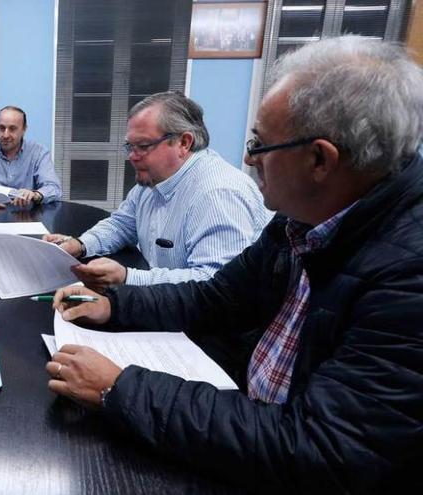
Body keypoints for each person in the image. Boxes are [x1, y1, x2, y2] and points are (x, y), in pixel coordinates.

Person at [45, 36, 423, 492]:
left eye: (260, 144)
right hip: (249, 407)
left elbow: (321, 449)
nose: (247, 159)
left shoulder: (408, 275)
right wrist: (115, 307)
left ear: (319, 159)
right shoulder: (300, 219)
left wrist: (120, 389)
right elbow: (218, 294)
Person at [44, 91, 270, 289]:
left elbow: (214, 283)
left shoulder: (217, 193)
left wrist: (127, 277)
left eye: (142, 146)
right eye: (129, 146)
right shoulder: (152, 180)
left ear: (184, 143)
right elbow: (122, 224)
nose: (132, 156)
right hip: (168, 305)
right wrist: (81, 245)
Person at [0, 105, 62, 211]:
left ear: (24, 129)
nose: (5, 135)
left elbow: (54, 188)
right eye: (1, 128)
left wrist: (35, 195)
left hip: (26, 219)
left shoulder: (39, 152)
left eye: (12, 129)